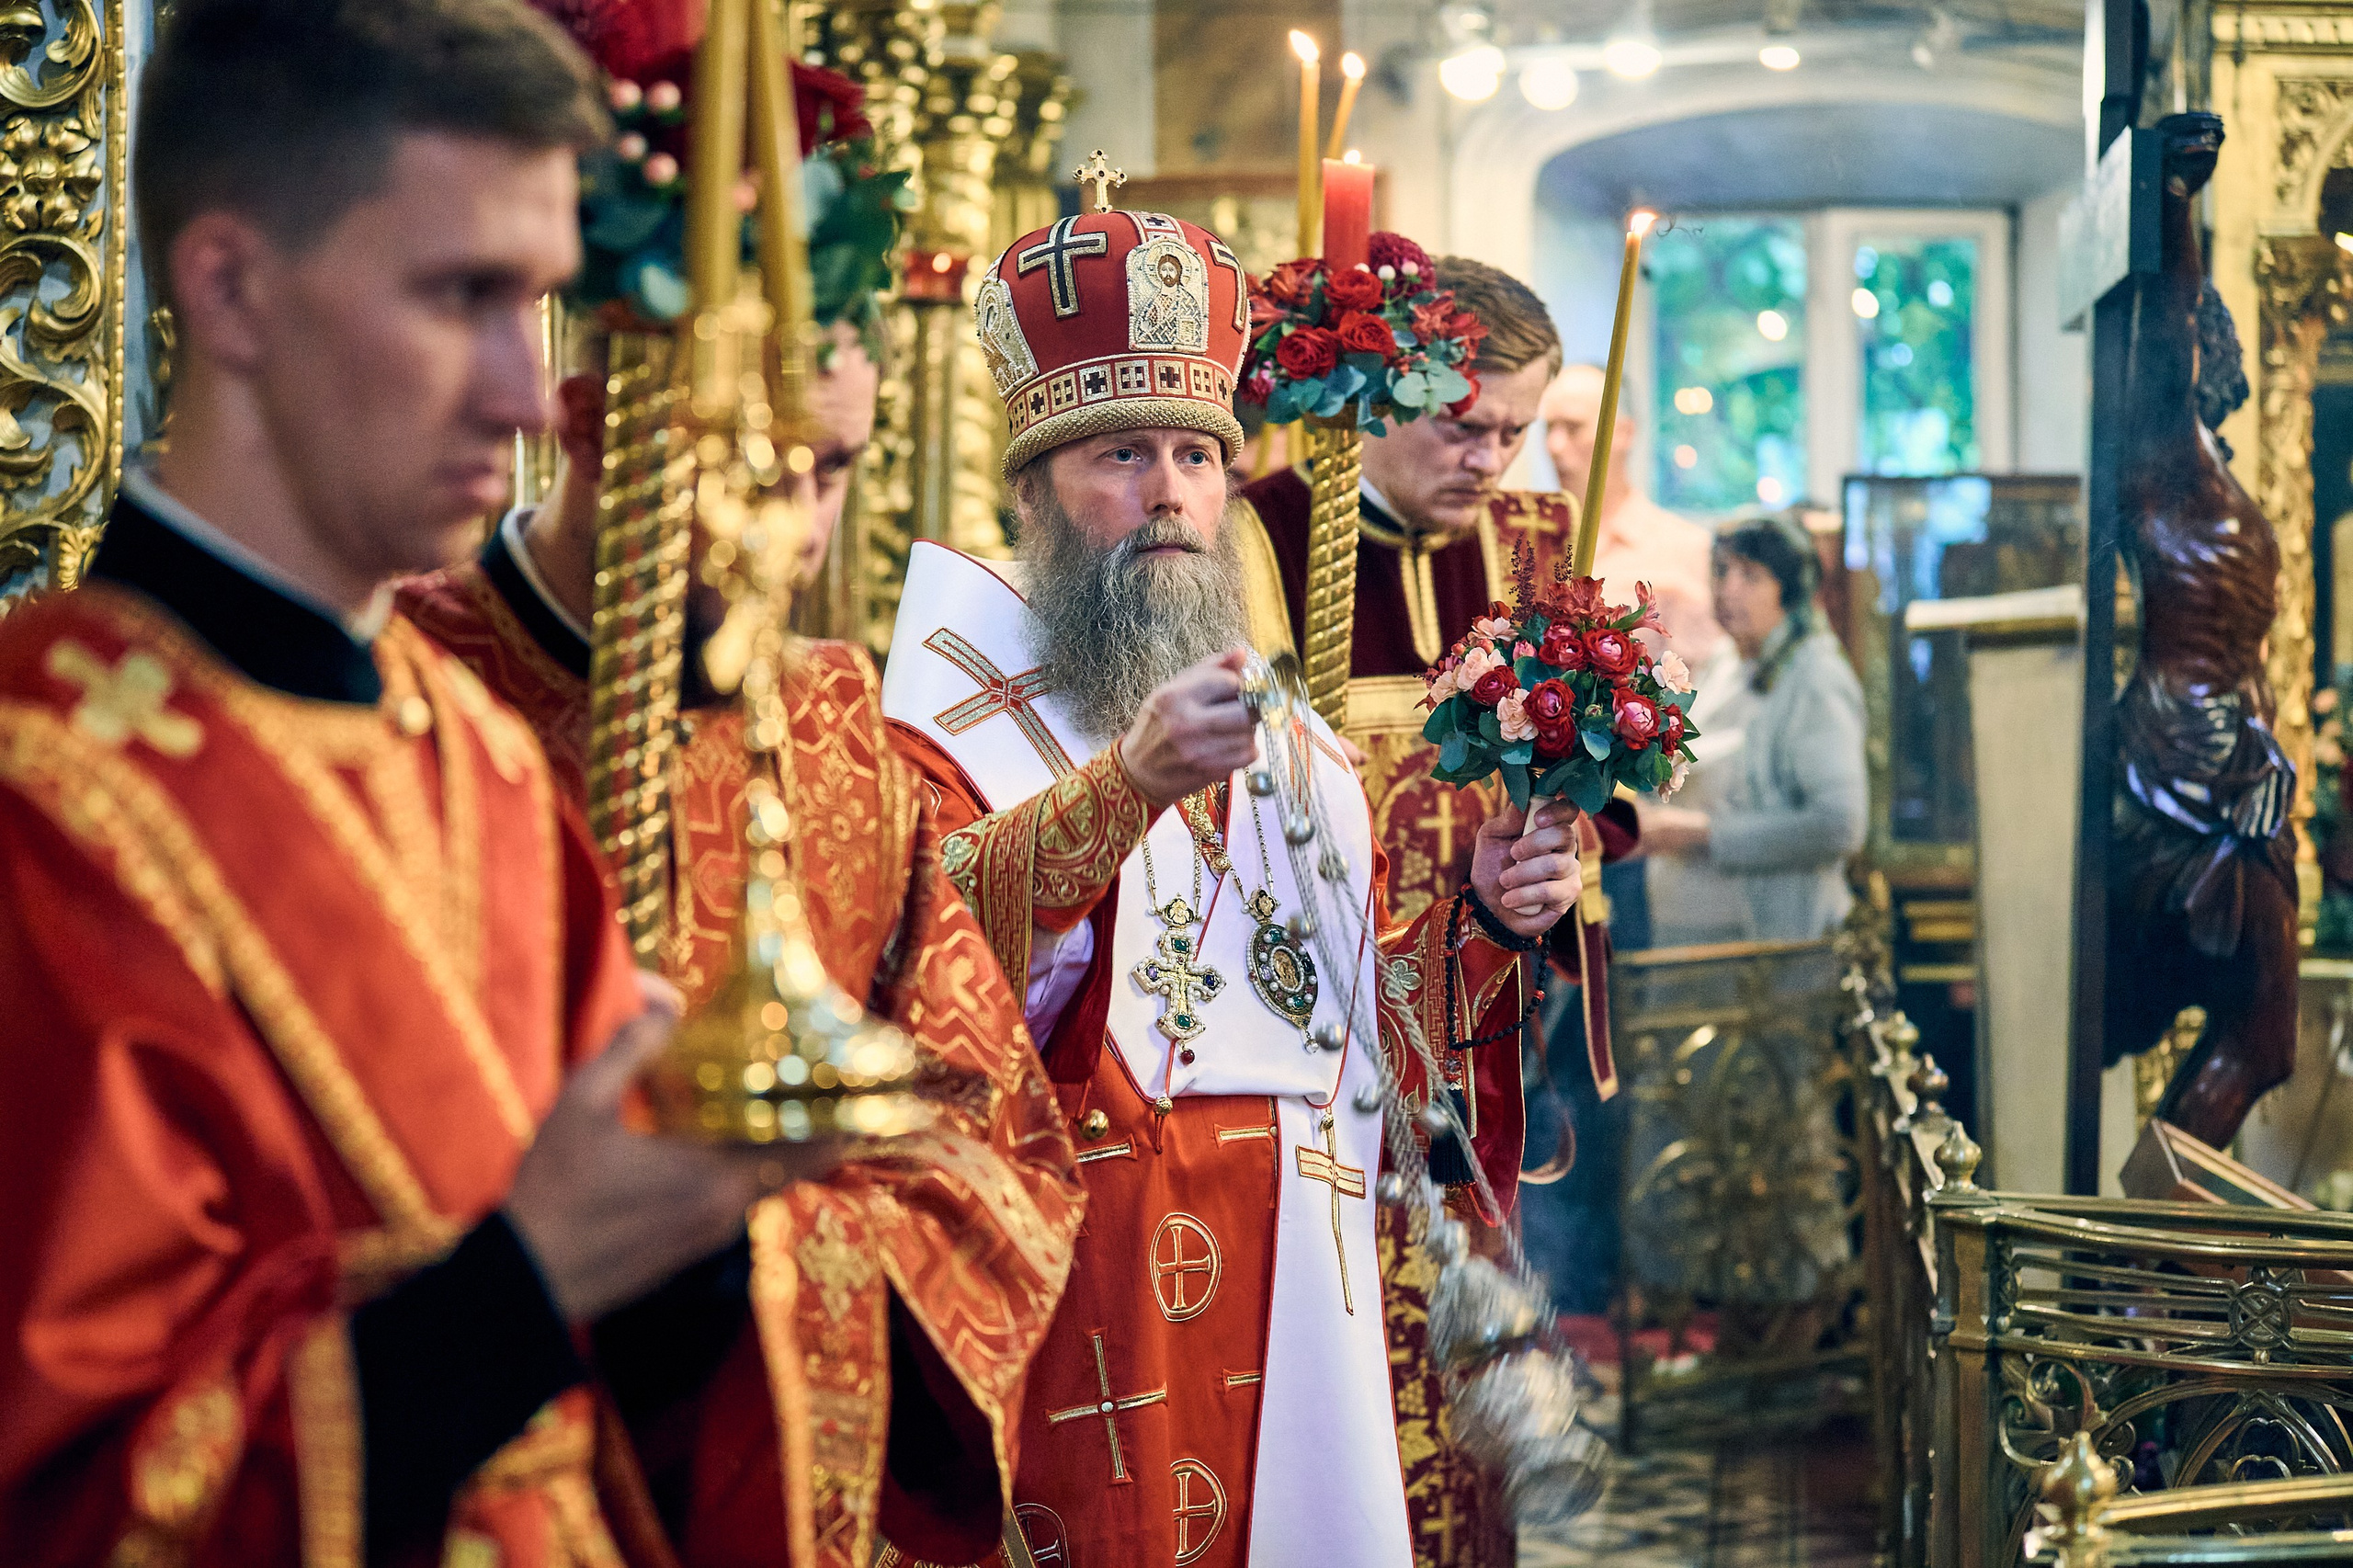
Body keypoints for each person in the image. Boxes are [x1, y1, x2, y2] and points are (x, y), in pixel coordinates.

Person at [0, 3, 818, 1562]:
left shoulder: (481, 754)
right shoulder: (45, 788)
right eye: (464, 297)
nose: (529, 392)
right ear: (231, 287)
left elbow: (614, 1411)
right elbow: (75, 1491)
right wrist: (533, 1274)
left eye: (545, 303)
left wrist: (693, 1228)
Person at [396, 41, 1082, 1568]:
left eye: (831, 468)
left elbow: (992, 1134)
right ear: (598, 418)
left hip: (777, 1478)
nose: (797, 519)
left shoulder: (838, 724)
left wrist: (770, 1253)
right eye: (752, 457)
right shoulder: (409, 688)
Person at [880, 205, 1584, 1567]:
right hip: (1074, 1295)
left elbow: (1375, 1041)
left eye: (1198, 455)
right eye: (1120, 454)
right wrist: (1124, 786)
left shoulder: (1295, 747)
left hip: (1289, 1298)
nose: (1171, 493)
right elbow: (926, 951)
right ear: (1032, 488)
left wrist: (1489, 915)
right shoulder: (944, 713)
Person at [1232, 244, 1623, 1566]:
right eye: (1465, 426)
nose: (1494, 460)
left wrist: (1567, 852)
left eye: (1516, 430)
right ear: (1386, 389)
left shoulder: (1535, 544)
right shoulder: (1265, 531)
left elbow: (1607, 776)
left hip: (1488, 1029)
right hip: (1323, 1035)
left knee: (1480, 1370)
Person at [1639, 515, 1867, 942]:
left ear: (1790, 589)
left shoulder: (1815, 675)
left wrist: (1698, 834)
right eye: (1722, 571)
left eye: (1751, 575)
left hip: (1774, 943)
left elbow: (1839, 825)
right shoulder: (1728, 658)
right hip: (1698, 930)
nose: (1728, 590)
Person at [1540, 362, 1725, 667]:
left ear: (1624, 432)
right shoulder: (1531, 546)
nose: (1555, 446)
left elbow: (1713, 681)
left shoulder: (1687, 550)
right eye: (1549, 428)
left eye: (1573, 427)